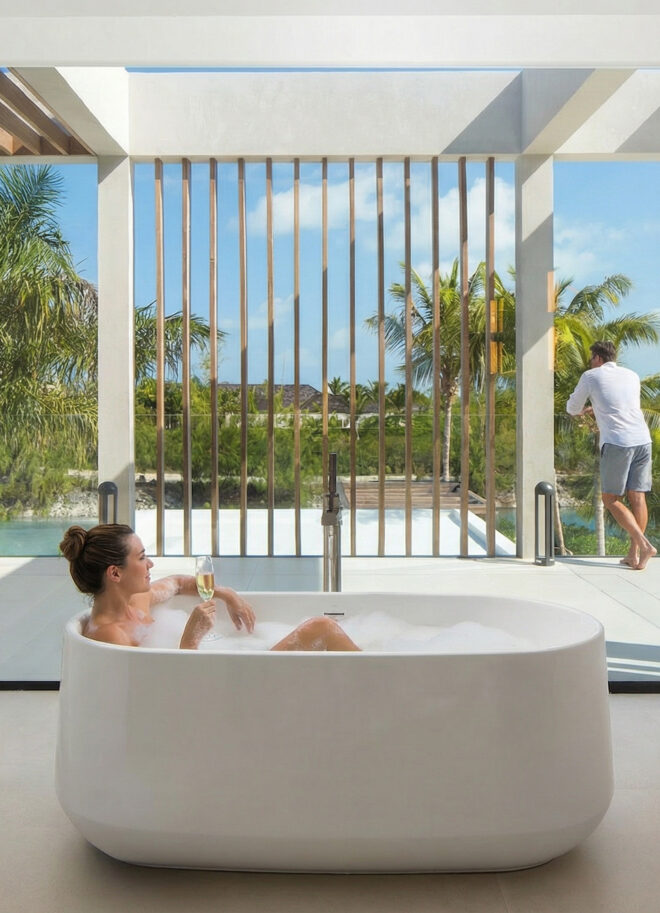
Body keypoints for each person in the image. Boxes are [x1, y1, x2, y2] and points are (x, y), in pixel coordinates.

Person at [60, 524, 360, 651]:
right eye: (141, 558)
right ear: (115, 573)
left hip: (225, 664)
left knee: (322, 632)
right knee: (321, 628)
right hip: (222, 685)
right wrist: (191, 636)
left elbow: (177, 583)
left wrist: (227, 594)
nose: (150, 564)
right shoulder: (110, 635)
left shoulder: (137, 601)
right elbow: (161, 696)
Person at [566, 340, 657, 570]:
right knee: (638, 497)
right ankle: (633, 555)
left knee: (610, 499)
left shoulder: (590, 376)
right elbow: (620, 405)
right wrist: (595, 408)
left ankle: (644, 545)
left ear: (597, 357)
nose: (590, 362)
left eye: (591, 358)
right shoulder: (632, 375)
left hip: (618, 442)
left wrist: (584, 409)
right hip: (642, 440)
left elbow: (572, 409)